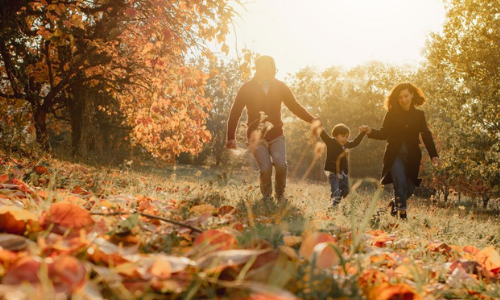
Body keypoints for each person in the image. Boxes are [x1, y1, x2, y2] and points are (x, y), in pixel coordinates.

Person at [226, 55, 320, 201]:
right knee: (265, 169)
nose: (270, 74)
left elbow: (294, 107)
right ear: (258, 70)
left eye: (272, 71)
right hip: (256, 137)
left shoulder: (280, 87)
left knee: (281, 165)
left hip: (276, 134)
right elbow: (235, 112)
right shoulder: (247, 88)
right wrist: (230, 137)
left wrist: (312, 120)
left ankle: (280, 194)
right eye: (266, 71)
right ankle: (266, 198)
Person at [360, 83, 440, 220]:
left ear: (412, 95)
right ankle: (402, 214)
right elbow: (384, 133)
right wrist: (370, 131)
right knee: (400, 182)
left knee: (410, 187)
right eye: (400, 97)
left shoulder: (419, 115)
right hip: (394, 154)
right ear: (396, 99)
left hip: (412, 156)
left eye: (406, 96)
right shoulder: (391, 114)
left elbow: (426, 135)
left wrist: (434, 155)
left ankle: (395, 203)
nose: (403, 100)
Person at [320, 123, 367, 207]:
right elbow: (323, 134)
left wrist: (362, 133)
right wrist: (317, 125)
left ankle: (334, 199)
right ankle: (332, 207)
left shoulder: (347, 145)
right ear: (335, 135)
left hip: (344, 174)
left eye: (346, 137)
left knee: (346, 191)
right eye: (342, 136)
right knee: (336, 193)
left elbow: (355, 143)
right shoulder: (330, 142)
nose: (345, 139)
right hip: (333, 174)